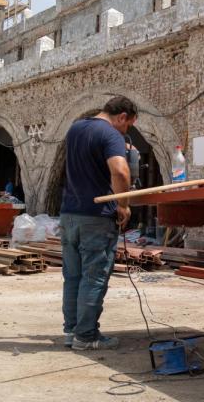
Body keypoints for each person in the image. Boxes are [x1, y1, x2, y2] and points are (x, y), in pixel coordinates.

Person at [60, 95, 135, 350]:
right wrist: (123, 204)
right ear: (122, 116)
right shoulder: (110, 133)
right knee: (94, 277)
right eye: (128, 126)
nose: (126, 131)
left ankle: (71, 332)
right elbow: (120, 171)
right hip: (96, 216)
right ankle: (86, 336)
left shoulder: (75, 128)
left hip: (70, 215)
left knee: (73, 277)